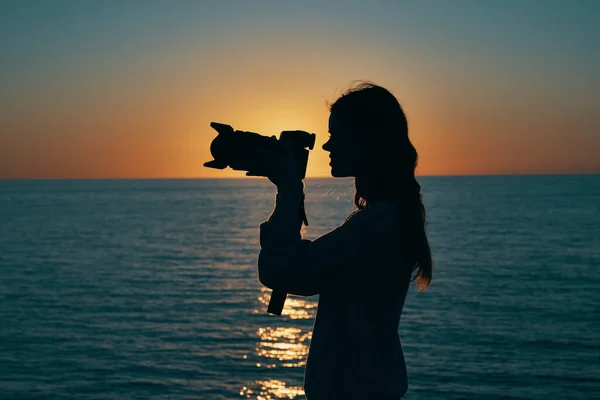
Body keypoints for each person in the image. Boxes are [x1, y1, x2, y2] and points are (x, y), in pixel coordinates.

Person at [249, 81, 433, 399]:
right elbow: (301, 269)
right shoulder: (389, 217)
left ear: (368, 140)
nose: (327, 147)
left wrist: (290, 189)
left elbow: (281, 270)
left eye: (337, 136)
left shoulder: (377, 224)